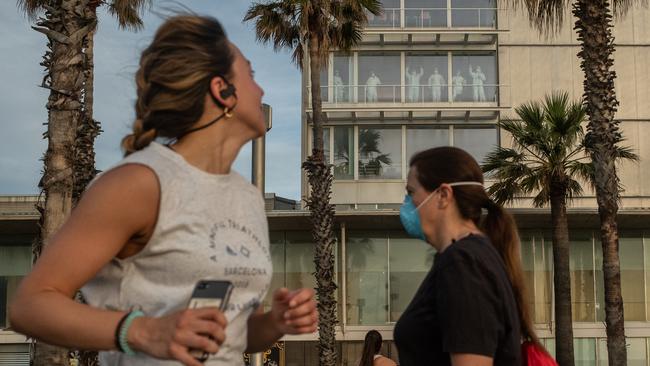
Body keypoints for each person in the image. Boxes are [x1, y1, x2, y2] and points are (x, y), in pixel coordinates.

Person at [9, 15, 318, 366]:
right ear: (223, 91)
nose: (261, 91)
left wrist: (274, 323)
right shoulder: (140, 183)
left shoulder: (246, 196)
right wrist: (143, 331)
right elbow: (30, 304)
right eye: (251, 75)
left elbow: (229, 336)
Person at [394, 147, 546, 366]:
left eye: (411, 192)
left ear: (444, 195)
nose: (406, 204)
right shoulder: (467, 257)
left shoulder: (463, 262)